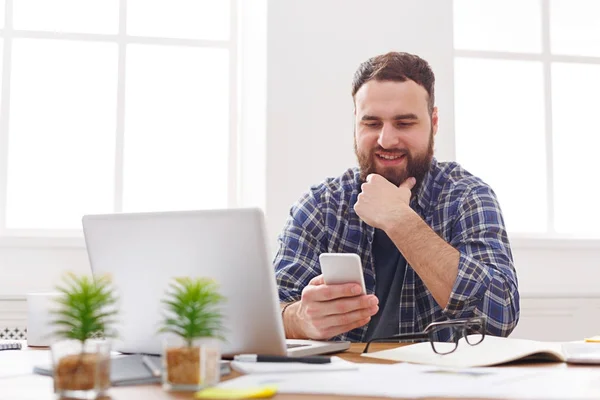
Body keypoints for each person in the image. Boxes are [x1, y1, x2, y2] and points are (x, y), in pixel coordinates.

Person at [273, 51, 520, 343]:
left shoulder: (468, 197)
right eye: (372, 123)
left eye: (404, 123)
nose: (386, 140)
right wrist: (299, 319)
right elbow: (268, 312)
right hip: (343, 383)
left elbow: (499, 316)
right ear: (355, 122)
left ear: (434, 122)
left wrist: (400, 221)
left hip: (439, 382)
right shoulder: (321, 206)